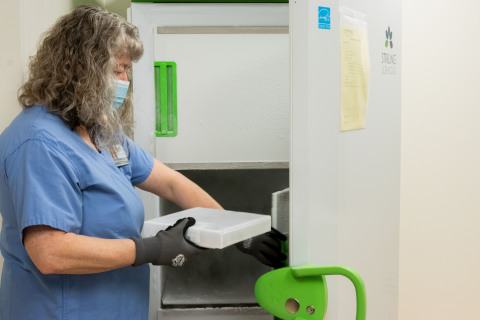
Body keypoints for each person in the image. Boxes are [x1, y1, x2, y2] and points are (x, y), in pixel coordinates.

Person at [0, 5, 286, 320]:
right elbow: (50, 253)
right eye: (117, 70)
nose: (125, 81)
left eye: (128, 71)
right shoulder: (38, 143)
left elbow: (172, 184)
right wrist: (150, 249)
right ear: (81, 69)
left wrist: (237, 234)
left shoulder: (99, 132)